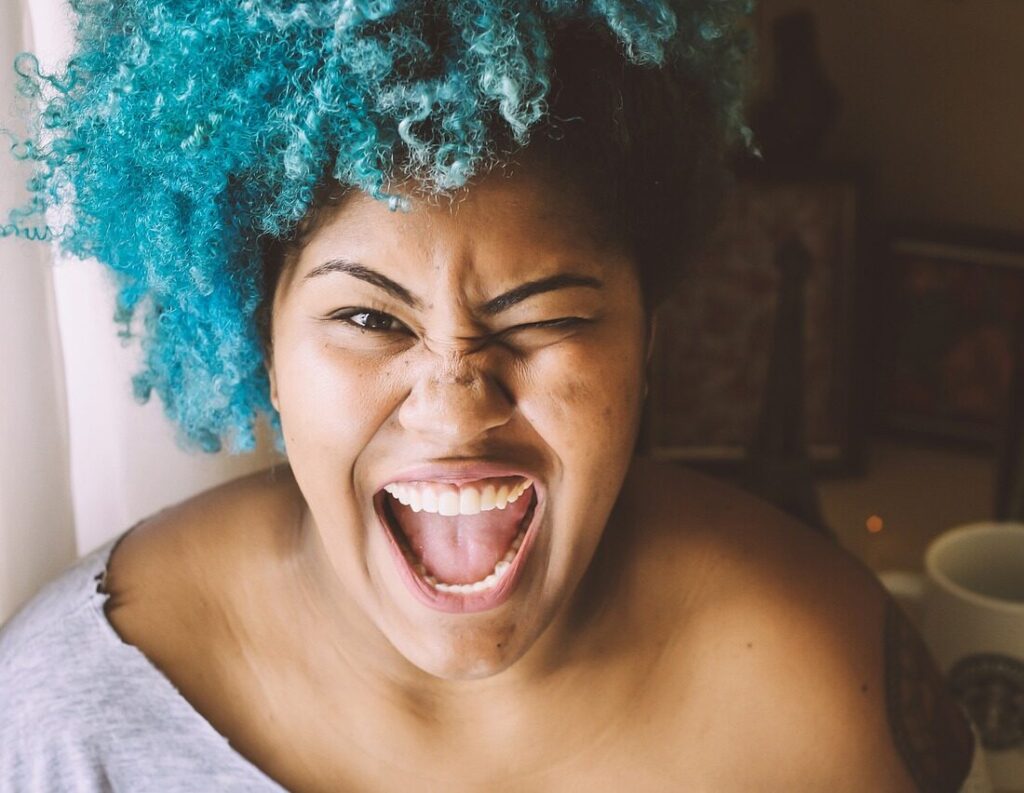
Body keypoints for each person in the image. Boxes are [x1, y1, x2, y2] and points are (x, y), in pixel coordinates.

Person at [0, 2, 982, 791]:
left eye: (546, 317)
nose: (458, 405)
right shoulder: (70, 728)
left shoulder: (826, 692)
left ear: (651, 345)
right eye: (371, 320)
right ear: (264, 347)